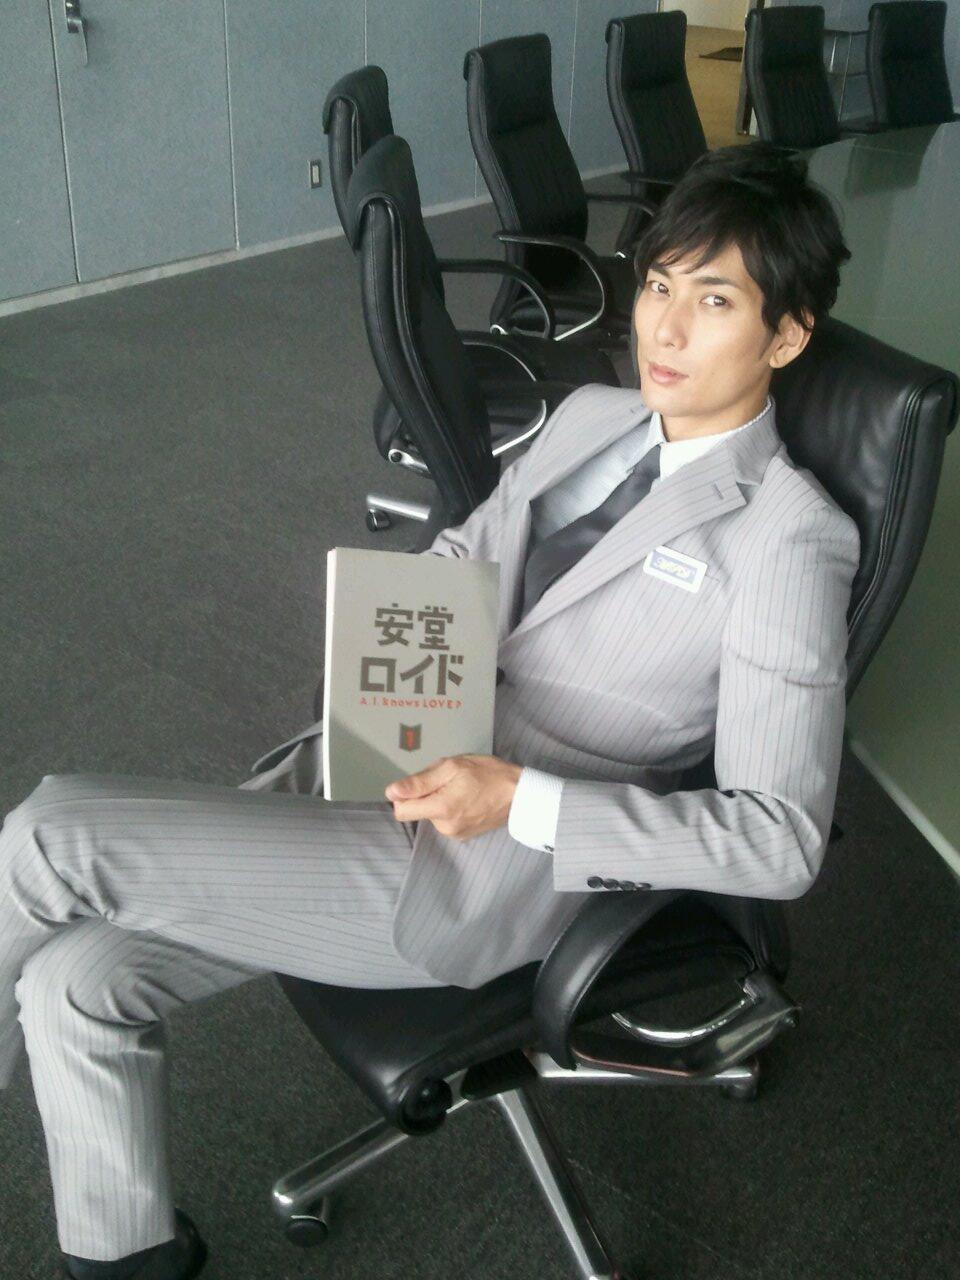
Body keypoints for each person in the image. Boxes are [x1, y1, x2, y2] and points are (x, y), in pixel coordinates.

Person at [0, 144, 858, 1279]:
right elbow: (471, 548)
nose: (665, 325)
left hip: (478, 869)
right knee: (70, 981)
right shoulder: (593, 415)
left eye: (715, 301)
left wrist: (523, 800)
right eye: (659, 283)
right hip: (383, 758)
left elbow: (781, 838)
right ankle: (125, 1260)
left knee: (47, 834)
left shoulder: (787, 537)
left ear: (785, 336)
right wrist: (385, 633)